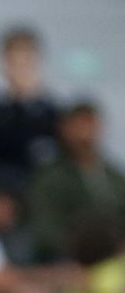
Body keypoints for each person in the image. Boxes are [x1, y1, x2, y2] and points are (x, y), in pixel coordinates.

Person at [27, 100, 125, 262]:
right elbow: (45, 230)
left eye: (91, 125)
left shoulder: (114, 176)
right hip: (71, 261)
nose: (86, 133)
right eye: (79, 125)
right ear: (65, 129)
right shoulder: (51, 177)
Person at [0, 26, 59, 185]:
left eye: (27, 58)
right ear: (3, 59)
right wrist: (18, 100)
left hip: (37, 183)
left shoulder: (47, 104)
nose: (21, 66)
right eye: (15, 58)